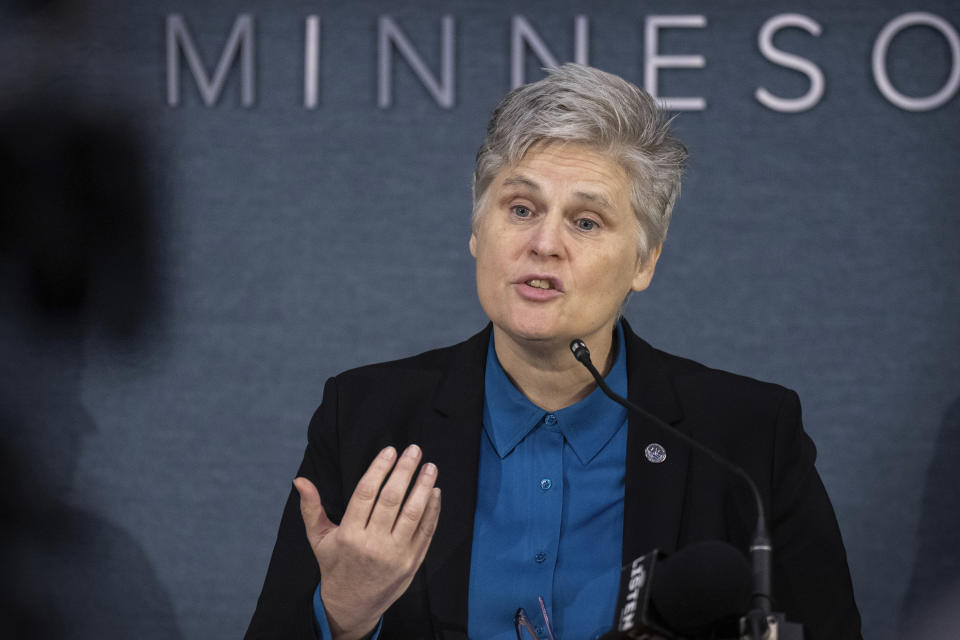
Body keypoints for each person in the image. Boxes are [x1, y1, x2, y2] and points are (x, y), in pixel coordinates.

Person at [245, 64, 861, 640]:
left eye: (586, 222)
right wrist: (343, 617)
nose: (544, 243)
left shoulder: (747, 441)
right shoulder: (366, 417)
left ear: (645, 261)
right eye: (521, 208)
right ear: (476, 231)